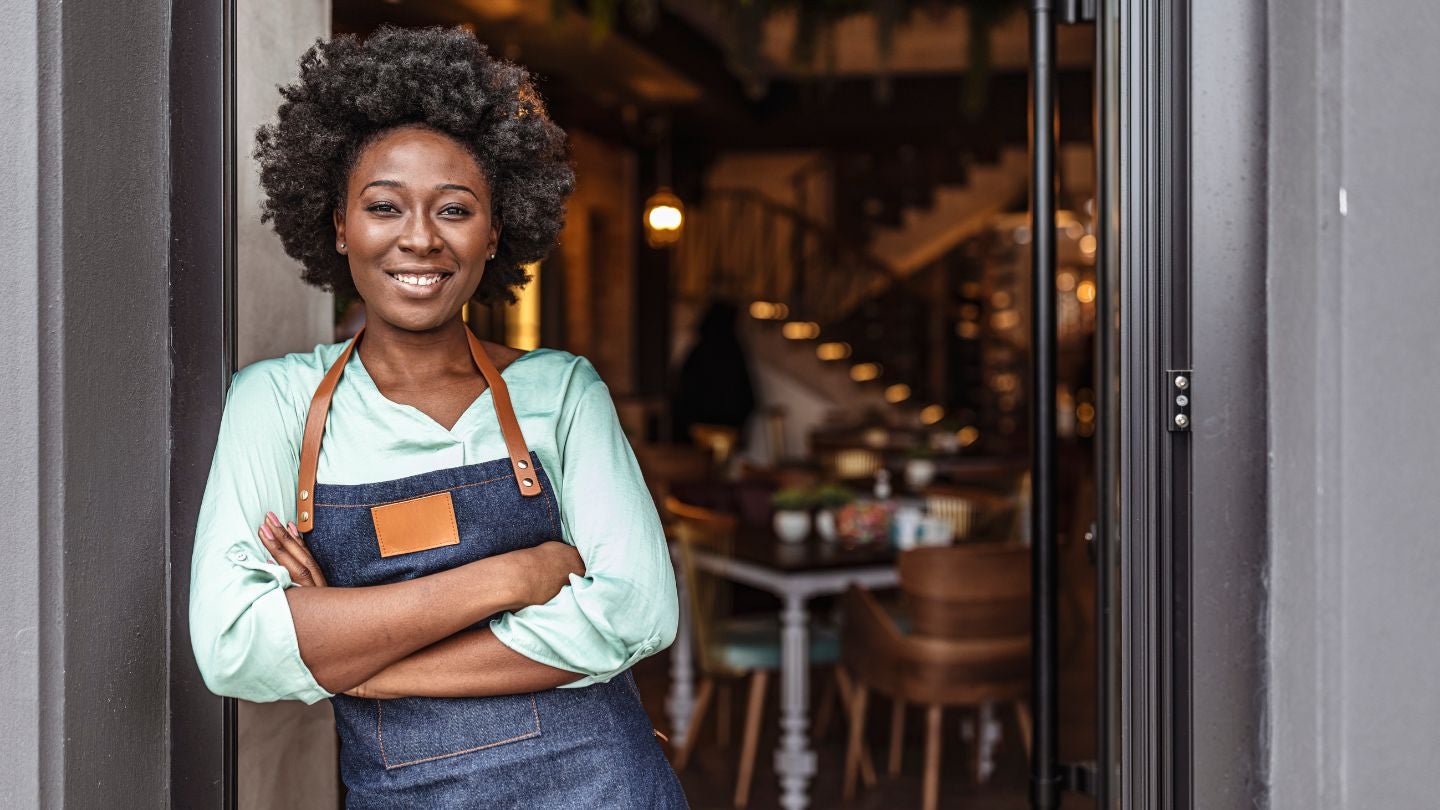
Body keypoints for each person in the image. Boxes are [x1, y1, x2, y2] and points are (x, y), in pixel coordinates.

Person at [188, 25, 686, 808]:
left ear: (495, 234)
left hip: (600, 786)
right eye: (385, 206)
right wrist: (515, 575)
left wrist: (351, 655)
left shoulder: (561, 393)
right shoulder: (276, 401)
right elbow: (234, 647)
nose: (419, 238)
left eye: (454, 209)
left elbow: (636, 613)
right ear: (339, 224)